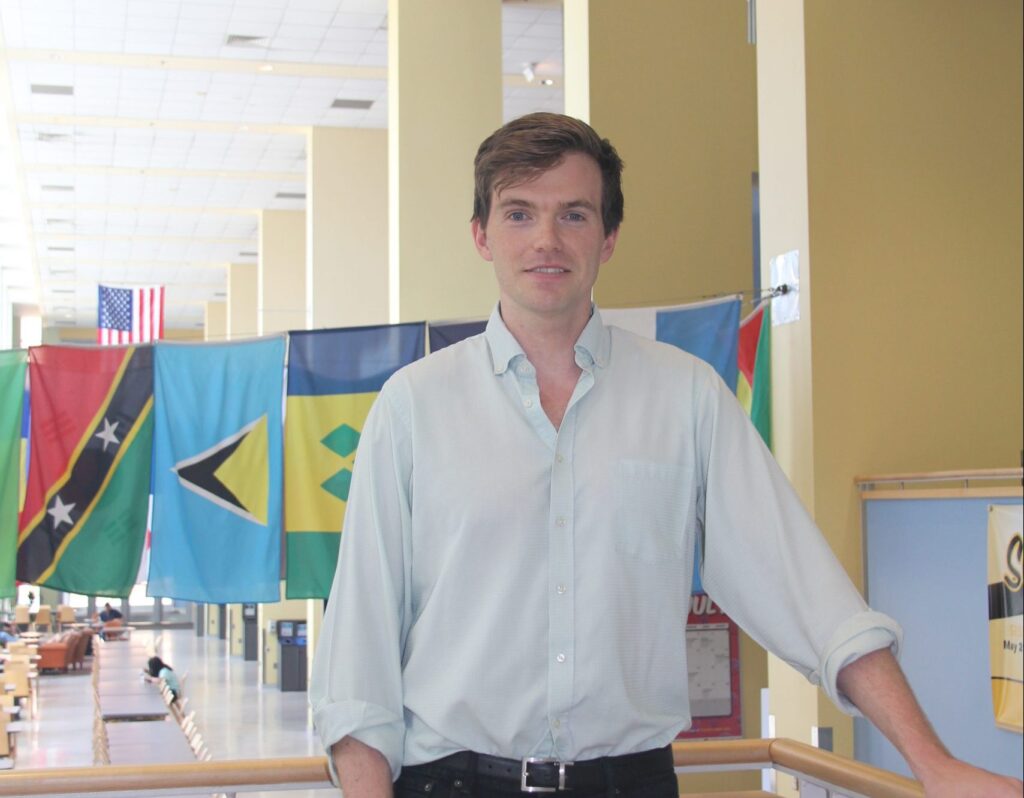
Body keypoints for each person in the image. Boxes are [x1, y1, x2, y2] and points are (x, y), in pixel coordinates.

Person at [309, 113, 1022, 797]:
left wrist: (933, 763)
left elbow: (809, 594)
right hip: (453, 781)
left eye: (575, 214)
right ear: (481, 235)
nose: (547, 240)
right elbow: (358, 666)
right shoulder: (412, 407)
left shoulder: (686, 397)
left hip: (633, 781)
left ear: (609, 237)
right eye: (520, 213)